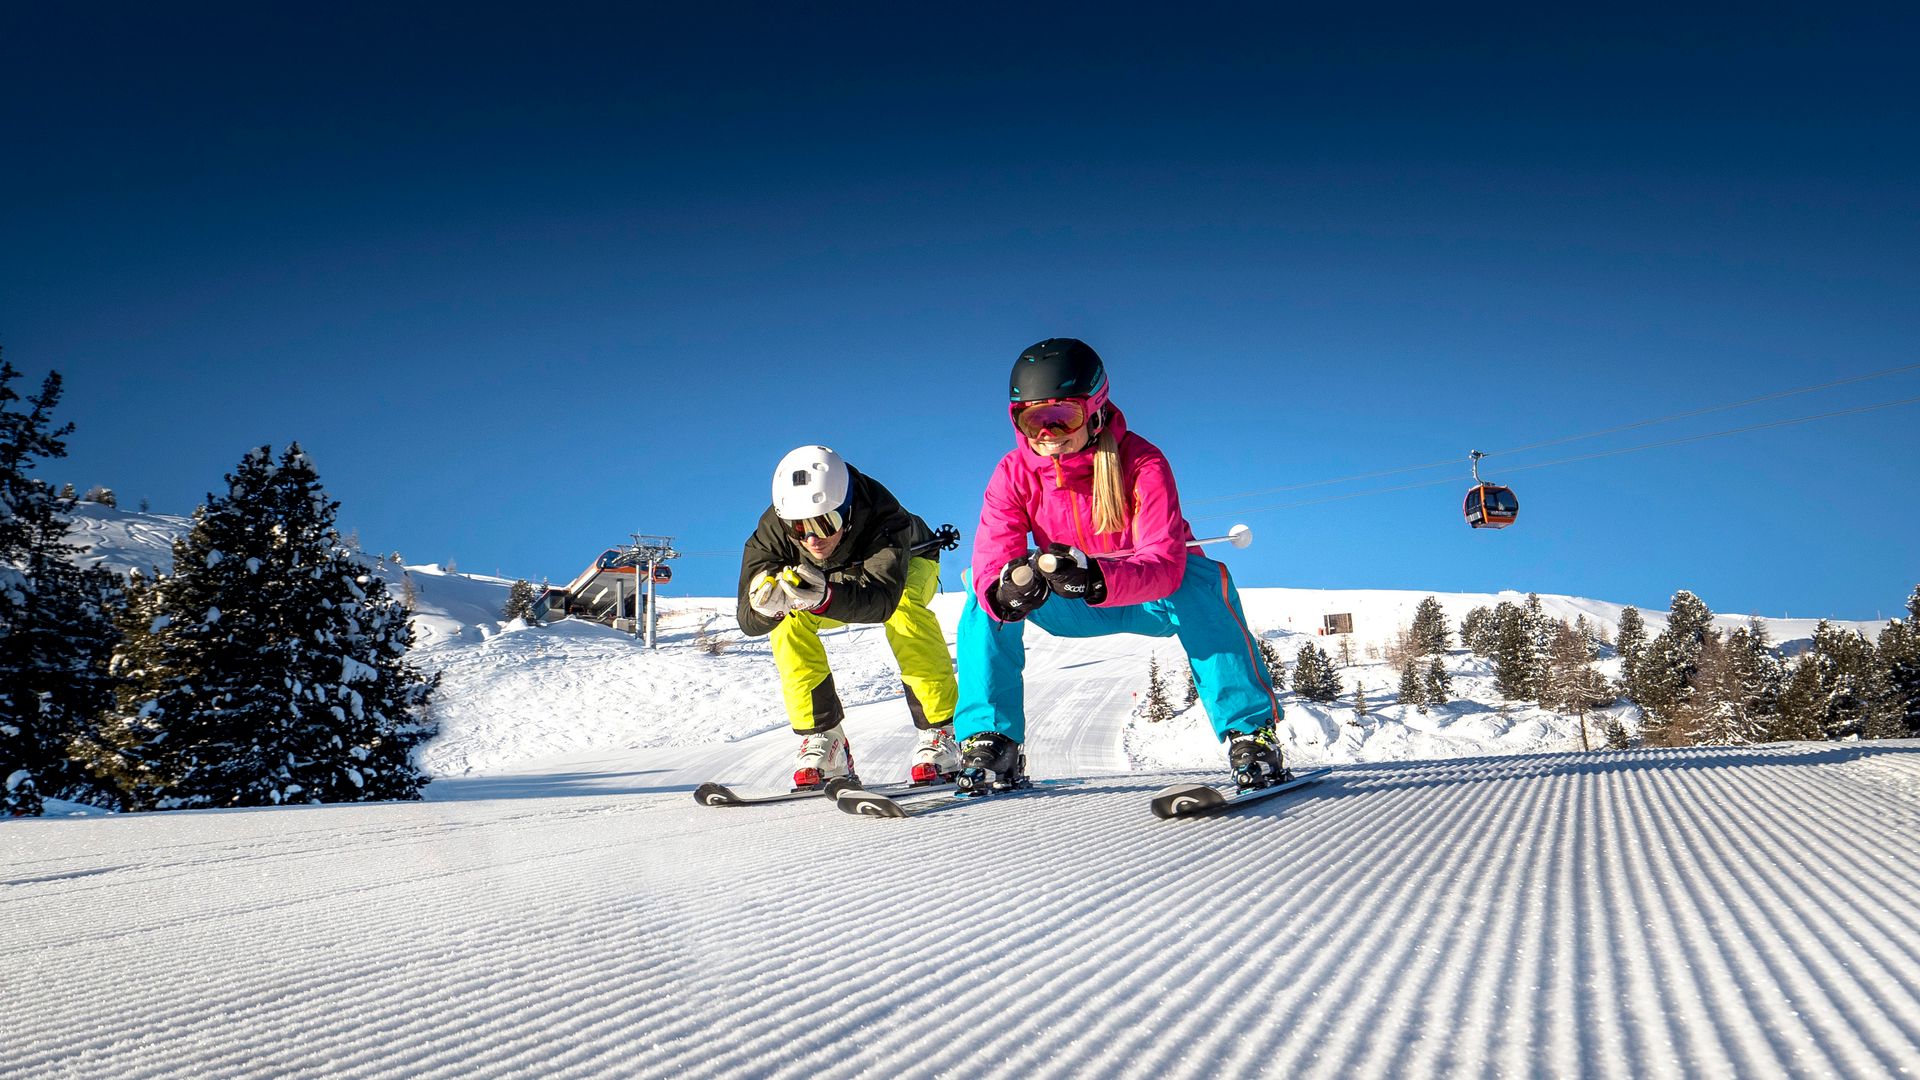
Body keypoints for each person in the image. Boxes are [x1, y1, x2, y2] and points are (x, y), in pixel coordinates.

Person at [952, 338, 1285, 794]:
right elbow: (992, 555)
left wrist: (1096, 578)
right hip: (1069, 604)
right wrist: (1005, 592)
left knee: (1202, 578)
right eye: (1033, 420)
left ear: (1094, 409)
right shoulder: (1013, 473)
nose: (1047, 434)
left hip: (1148, 601)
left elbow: (1165, 565)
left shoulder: (1141, 461)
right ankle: (992, 741)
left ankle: (1250, 734)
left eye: (1061, 417)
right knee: (981, 596)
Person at [737, 445, 961, 789]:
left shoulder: (883, 513)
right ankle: (826, 741)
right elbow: (747, 620)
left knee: (904, 610)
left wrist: (826, 597)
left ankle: (941, 732)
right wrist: (766, 610)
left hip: (910, 563)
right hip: (832, 579)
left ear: (848, 508)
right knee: (789, 620)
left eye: (826, 522)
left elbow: (882, 601)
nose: (813, 539)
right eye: (799, 528)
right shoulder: (773, 528)